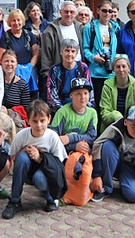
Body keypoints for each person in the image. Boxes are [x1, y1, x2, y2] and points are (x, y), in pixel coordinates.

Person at [1, 99, 68, 220]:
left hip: (45, 173)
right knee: (21, 158)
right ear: (28, 120)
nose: (39, 125)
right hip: (26, 171)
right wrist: (24, 151)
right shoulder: (23, 135)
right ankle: (14, 201)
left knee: (39, 178)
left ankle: (50, 198)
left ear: (49, 119)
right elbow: (12, 158)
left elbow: (59, 166)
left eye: (42, 121)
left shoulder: (52, 137)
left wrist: (40, 157)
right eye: (35, 121)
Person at [90, 105, 135, 204]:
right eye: (133, 125)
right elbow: (98, 144)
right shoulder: (116, 128)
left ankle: (126, 184)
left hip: (131, 169)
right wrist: (97, 175)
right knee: (107, 146)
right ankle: (105, 188)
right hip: (114, 161)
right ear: (125, 122)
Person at [50, 78, 98, 206]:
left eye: (85, 93)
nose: (82, 97)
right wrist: (74, 145)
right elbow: (54, 139)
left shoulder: (92, 113)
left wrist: (71, 139)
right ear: (71, 95)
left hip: (83, 151)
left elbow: (92, 137)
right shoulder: (63, 112)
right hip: (63, 152)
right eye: (78, 94)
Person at [82, 0, 120, 114]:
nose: (107, 13)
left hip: (111, 72)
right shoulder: (90, 28)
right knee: (97, 105)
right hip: (96, 73)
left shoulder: (115, 28)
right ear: (98, 11)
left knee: (111, 104)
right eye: (104, 10)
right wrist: (94, 58)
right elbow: (85, 49)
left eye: (110, 11)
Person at [39, 0, 83, 96]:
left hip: (78, 71)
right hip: (59, 74)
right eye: (66, 11)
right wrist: (48, 76)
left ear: (75, 14)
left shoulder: (80, 28)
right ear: (60, 12)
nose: (69, 14)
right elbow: (46, 57)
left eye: (71, 12)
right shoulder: (50, 31)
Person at [47, 39, 94, 112]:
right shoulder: (54, 70)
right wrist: (63, 111)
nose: (70, 54)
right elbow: (51, 94)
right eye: (67, 50)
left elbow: (90, 91)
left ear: (76, 54)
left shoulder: (83, 67)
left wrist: (85, 109)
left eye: (73, 51)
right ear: (61, 52)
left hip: (81, 107)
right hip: (61, 109)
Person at [0, 9, 39, 95]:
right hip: (13, 71)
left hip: (30, 70)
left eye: (18, 20)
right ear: (10, 22)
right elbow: (1, 57)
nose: (16, 23)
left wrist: (29, 67)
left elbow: (36, 53)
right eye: (13, 20)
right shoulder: (5, 37)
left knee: (31, 95)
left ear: (23, 21)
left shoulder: (29, 35)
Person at [99, 54, 135, 129]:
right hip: (111, 127)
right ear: (113, 69)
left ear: (129, 68)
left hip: (133, 127)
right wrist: (117, 116)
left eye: (124, 66)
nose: (121, 69)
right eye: (118, 67)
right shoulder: (107, 86)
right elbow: (104, 113)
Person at [1, 49, 31, 116]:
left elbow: (26, 109)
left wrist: (9, 112)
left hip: (15, 119)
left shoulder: (22, 85)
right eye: (6, 61)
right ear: (1, 62)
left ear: (16, 64)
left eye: (12, 61)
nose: (9, 64)